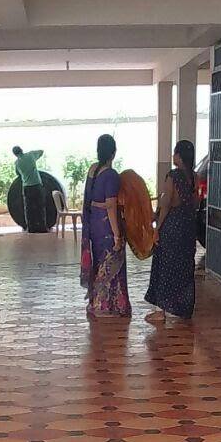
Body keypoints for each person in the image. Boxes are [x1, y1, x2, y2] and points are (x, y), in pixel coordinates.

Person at [145, 139, 197, 323]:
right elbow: (194, 203)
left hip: (172, 227)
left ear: (180, 157)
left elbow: (166, 204)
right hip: (188, 228)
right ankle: (183, 307)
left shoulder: (173, 176)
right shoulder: (194, 177)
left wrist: (157, 228)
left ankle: (160, 310)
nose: (173, 156)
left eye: (175, 153)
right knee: (184, 268)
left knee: (165, 266)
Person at [81, 134, 131, 318]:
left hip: (94, 223)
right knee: (112, 262)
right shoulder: (111, 175)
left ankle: (96, 302)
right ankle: (110, 305)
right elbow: (111, 205)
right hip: (106, 226)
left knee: (99, 261)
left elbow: (89, 198)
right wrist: (117, 235)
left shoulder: (93, 169)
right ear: (113, 152)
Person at [12, 145, 47, 233]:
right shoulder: (30, 155)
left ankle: (31, 228)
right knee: (40, 207)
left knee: (28, 209)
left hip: (27, 187)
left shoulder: (17, 163)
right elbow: (41, 151)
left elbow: (18, 173)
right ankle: (42, 228)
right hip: (37, 185)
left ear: (15, 154)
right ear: (21, 150)